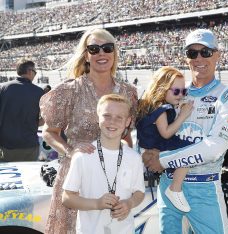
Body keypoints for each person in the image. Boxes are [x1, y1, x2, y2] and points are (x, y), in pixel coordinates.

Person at [142, 29, 228, 233]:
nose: (199, 58)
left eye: (205, 52)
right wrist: (148, 152)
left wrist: (162, 159)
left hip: (204, 188)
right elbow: (154, 128)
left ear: (217, 55)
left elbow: (214, 148)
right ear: (186, 58)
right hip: (168, 184)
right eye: (192, 53)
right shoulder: (175, 92)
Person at [40, 28, 138, 234]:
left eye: (107, 48)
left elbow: (126, 134)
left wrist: (130, 162)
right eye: (94, 49)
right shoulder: (70, 90)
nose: (101, 53)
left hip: (114, 176)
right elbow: (49, 131)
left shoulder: (129, 92)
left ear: (114, 52)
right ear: (86, 55)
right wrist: (70, 150)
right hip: (78, 178)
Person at [62, 94, 145, 234]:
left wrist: (129, 204)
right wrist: (97, 203)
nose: (112, 121)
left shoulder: (134, 158)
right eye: (107, 115)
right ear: (97, 118)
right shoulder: (82, 157)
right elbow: (67, 198)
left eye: (119, 117)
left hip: (124, 230)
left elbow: (139, 192)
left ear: (128, 121)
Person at [136, 66, 193, 212]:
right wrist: (183, 115)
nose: (180, 95)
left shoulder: (151, 105)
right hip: (160, 143)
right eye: (176, 91)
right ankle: (175, 187)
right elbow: (166, 133)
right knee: (189, 149)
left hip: (152, 145)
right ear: (162, 88)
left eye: (183, 91)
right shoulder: (161, 110)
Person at [0, 59, 44, 162]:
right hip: (28, 145)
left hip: (5, 145)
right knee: (29, 177)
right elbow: (45, 119)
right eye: (35, 72)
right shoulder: (39, 92)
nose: (35, 75)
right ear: (29, 71)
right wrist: (31, 124)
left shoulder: (3, 88)